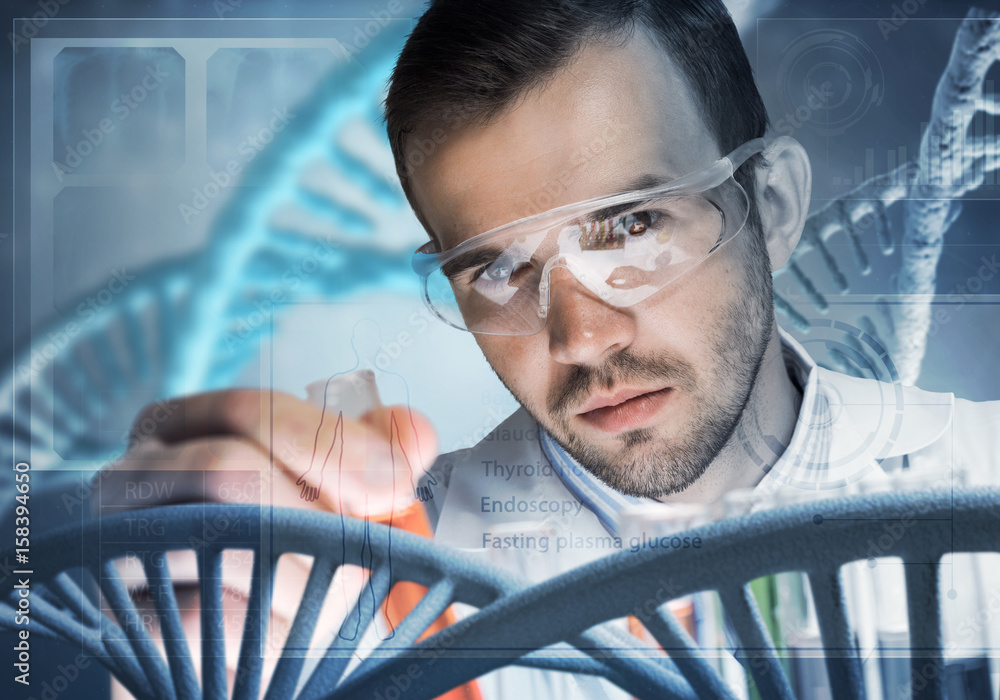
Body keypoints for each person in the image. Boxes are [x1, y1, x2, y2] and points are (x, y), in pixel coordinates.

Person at [97, 0, 1000, 696]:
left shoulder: (982, 483)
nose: (581, 338)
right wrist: (178, 651)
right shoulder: (383, 583)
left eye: (632, 226)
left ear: (771, 208)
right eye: (495, 269)